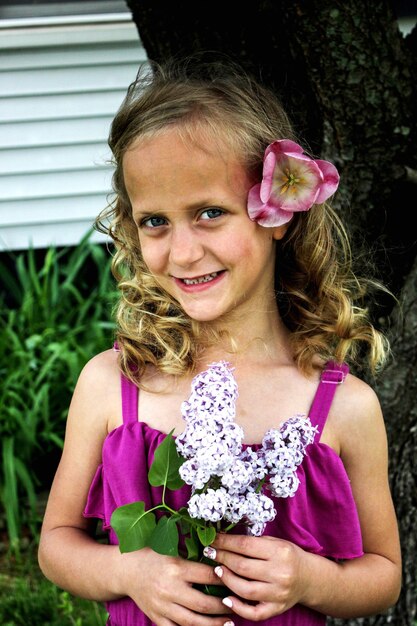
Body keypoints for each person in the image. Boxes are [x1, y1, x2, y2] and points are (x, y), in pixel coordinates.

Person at [38, 55, 402, 626]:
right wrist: (128, 571)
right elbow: (56, 545)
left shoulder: (345, 407)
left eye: (209, 213)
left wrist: (313, 578)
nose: (181, 252)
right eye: (155, 220)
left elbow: (383, 574)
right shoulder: (113, 385)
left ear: (277, 215)